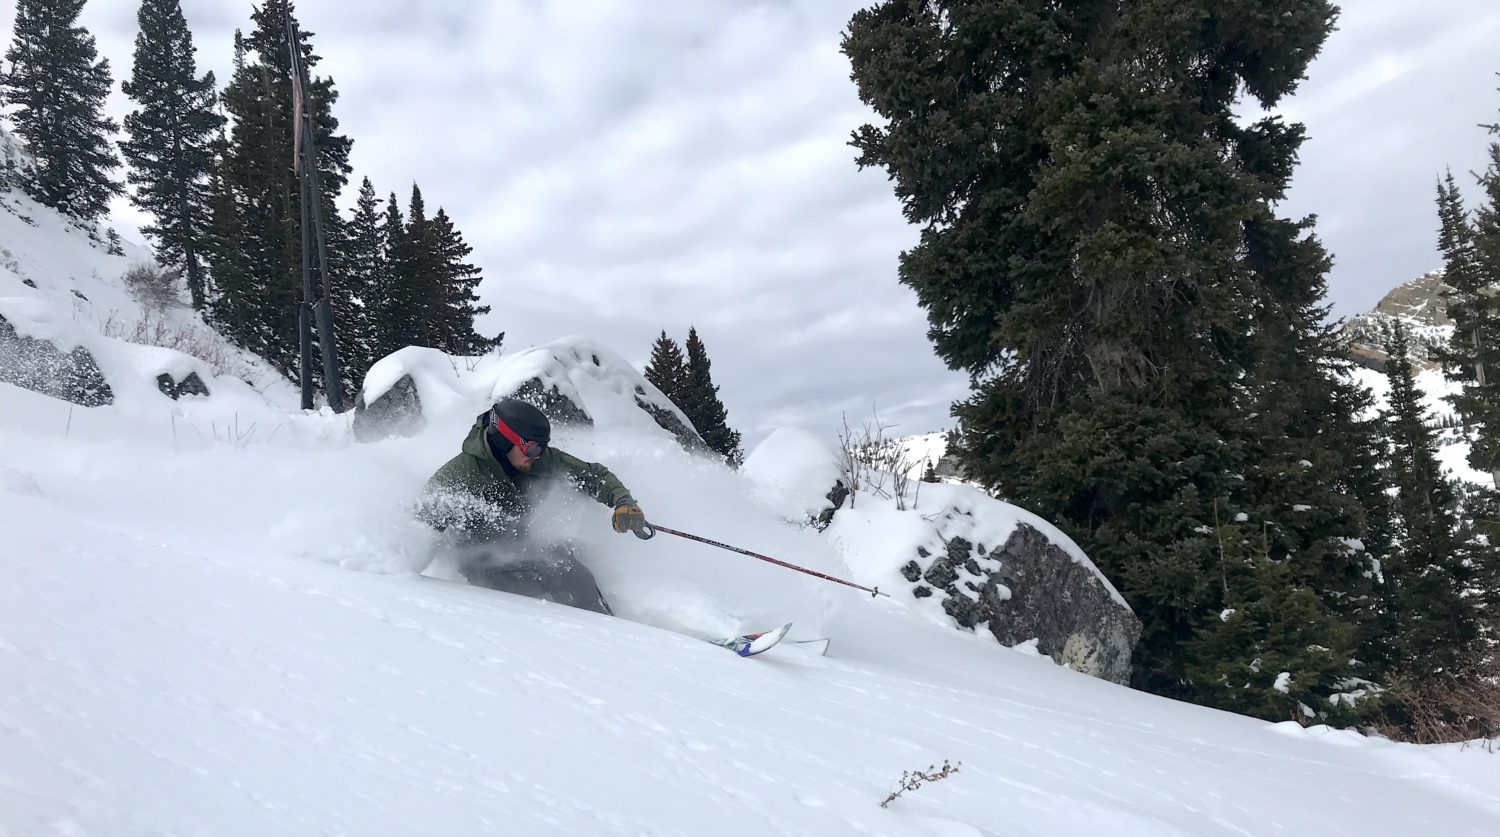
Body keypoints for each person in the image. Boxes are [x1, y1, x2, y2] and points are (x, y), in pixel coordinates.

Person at [416, 397, 648, 614]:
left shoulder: (538, 461)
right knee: (567, 573)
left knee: (572, 552)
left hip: (520, 550)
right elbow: (419, 530)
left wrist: (623, 502)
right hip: (483, 569)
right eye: (533, 448)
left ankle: (606, 622)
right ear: (505, 440)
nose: (538, 455)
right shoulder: (462, 475)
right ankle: (599, 637)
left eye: (543, 447)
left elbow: (593, 476)